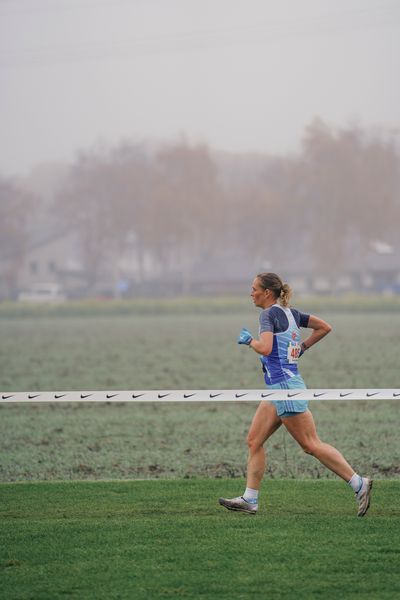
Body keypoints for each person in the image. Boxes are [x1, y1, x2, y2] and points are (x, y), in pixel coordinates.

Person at [219, 272, 372, 517]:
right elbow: (324, 327)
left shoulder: (268, 314)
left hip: (286, 388)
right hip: (278, 389)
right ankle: (250, 499)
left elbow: (266, 347)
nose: (251, 293)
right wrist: (301, 348)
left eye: (254, 289)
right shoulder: (292, 313)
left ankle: (358, 483)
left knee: (311, 445)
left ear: (267, 293)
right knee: (254, 441)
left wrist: (250, 342)